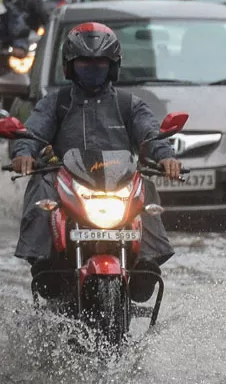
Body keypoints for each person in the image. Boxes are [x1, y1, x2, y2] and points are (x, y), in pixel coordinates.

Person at [10, 22, 182, 302]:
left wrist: (167, 157)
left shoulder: (129, 104)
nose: (92, 68)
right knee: (41, 183)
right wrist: (24, 154)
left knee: (146, 185)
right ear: (70, 66)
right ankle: (42, 261)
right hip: (68, 183)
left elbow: (151, 133)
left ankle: (147, 262)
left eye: (100, 63)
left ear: (112, 66)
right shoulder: (57, 103)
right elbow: (33, 131)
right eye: (84, 63)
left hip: (117, 185)